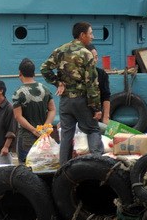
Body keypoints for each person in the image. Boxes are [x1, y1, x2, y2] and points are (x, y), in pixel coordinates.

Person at [41, 22, 103, 164]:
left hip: (65, 101)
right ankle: (98, 164)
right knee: (93, 129)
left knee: (66, 134)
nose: (92, 37)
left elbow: (45, 69)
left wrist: (58, 82)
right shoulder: (87, 54)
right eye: (91, 33)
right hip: (82, 100)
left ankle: (64, 169)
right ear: (82, 35)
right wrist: (96, 108)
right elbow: (92, 83)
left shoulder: (60, 50)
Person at [11, 58, 56, 164]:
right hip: (44, 136)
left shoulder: (18, 93)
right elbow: (52, 110)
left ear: (20, 73)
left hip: (26, 137)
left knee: (26, 166)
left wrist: (33, 130)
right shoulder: (45, 89)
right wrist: (45, 127)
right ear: (34, 73)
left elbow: (18, 116)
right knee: (44, 164)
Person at [86, 44, 111, 125]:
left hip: (96, 115)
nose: (95, 60)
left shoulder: (102, 74)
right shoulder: (77, 74)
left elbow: (106, 96)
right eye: (92, 58)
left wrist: (106, 117)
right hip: (80, 114)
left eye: (96, 57)